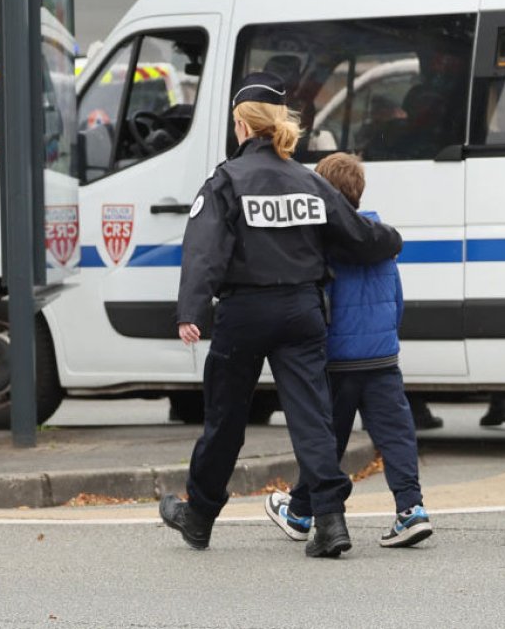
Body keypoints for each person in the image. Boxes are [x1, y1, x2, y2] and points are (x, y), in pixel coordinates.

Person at [159, 72, 402, 558]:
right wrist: (391, 241)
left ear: (244, 128)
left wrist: (191, 310)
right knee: (311, 417)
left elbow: (202, 252)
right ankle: (330, 522)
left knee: (225, 420)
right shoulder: (308, 181)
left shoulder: (225, 181)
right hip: (301, 313)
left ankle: (199, 517)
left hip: (243, 314)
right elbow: (356, 235)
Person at [264, 152, 433, 549]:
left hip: (338, 361)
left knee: (325, 441)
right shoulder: (380, 236)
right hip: (382, 357)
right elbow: (397, 299)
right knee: (396, 436)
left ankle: (302, 510)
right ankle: (411, 510)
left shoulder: (321, 244)